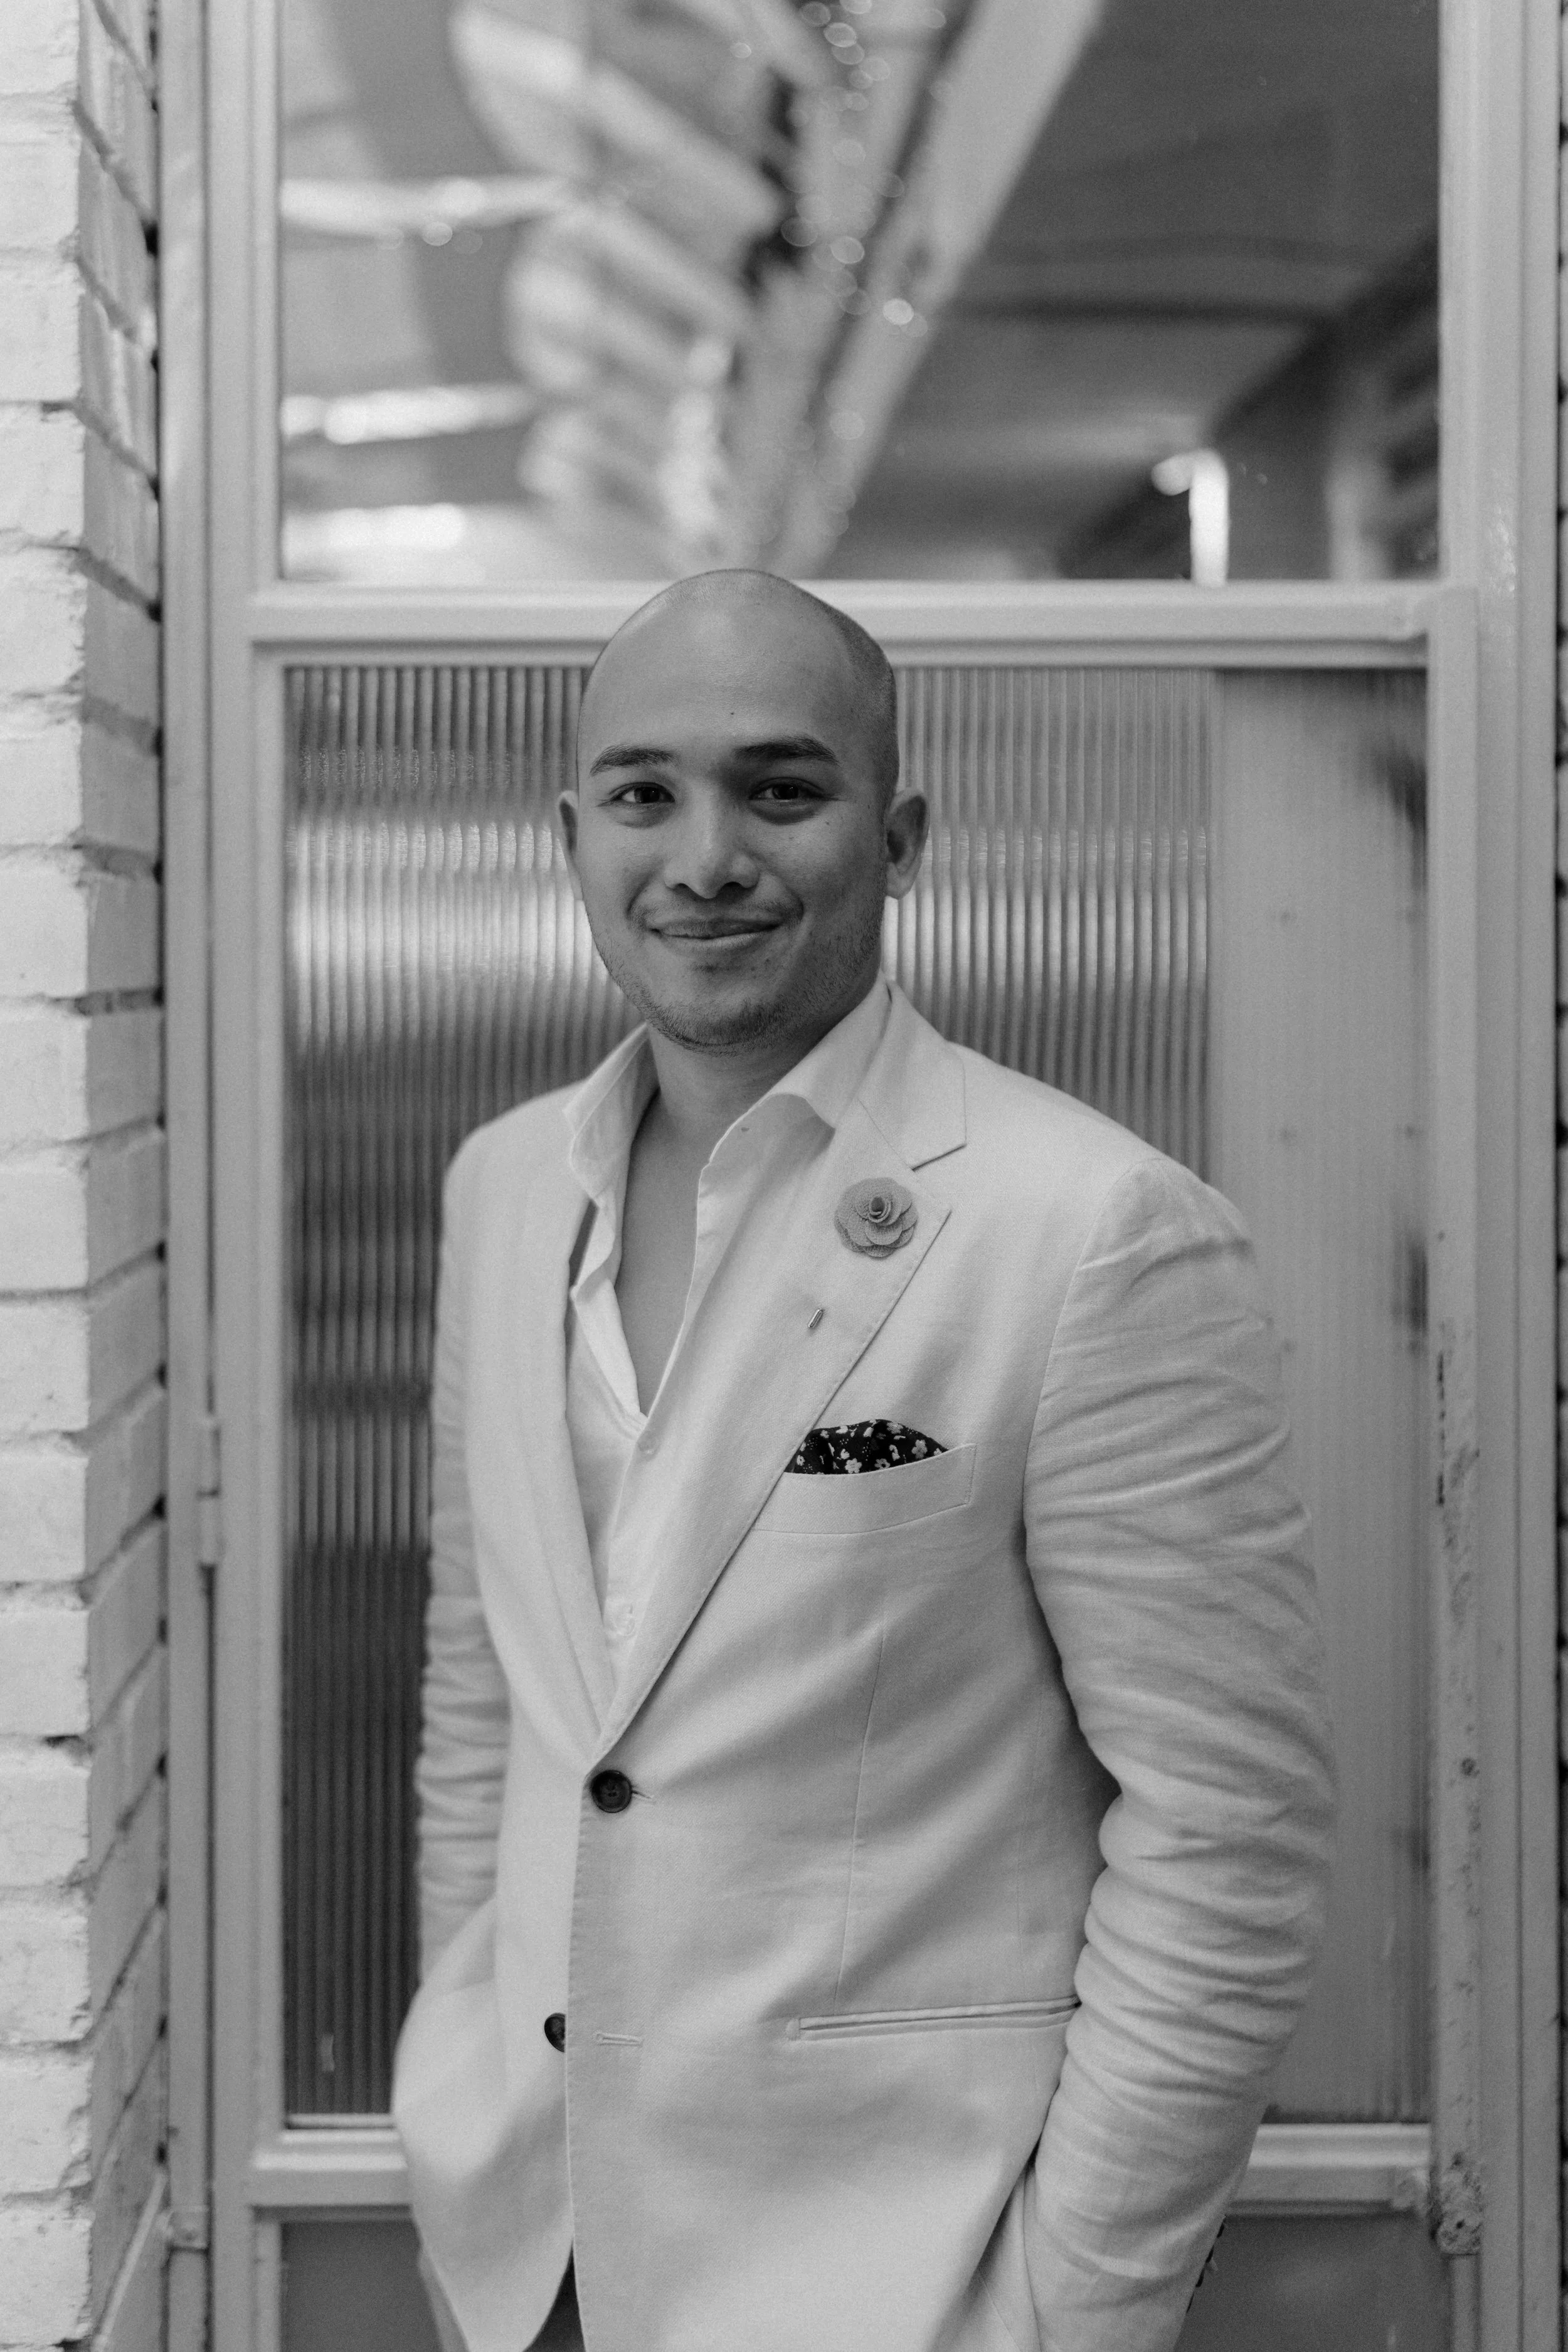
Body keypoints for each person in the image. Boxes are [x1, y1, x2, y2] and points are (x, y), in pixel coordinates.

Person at [391, 569, 1335, 2352]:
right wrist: (469, 2080)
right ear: (571, 829)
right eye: (644, 792)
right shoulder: (503, 1186)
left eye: (780, 787)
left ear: (898, 834)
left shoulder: (1092, 1230)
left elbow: (1226, 1829)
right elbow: (496, 1703)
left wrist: (1071, 2308)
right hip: (535, 2253)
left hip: (900, 2275)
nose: (706, 856)